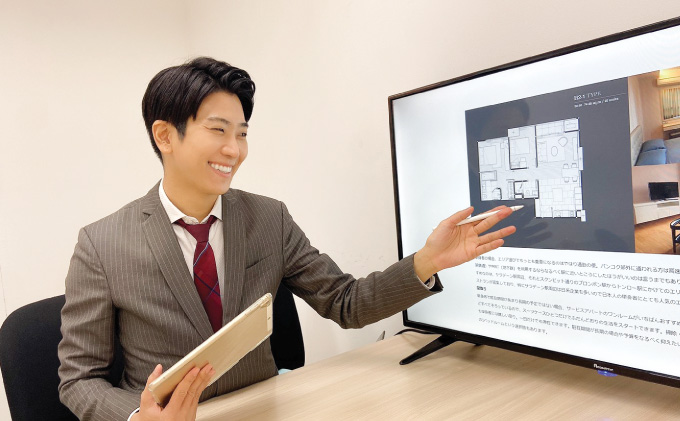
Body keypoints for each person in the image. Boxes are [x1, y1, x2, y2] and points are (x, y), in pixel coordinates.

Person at [57, 57, 516, 421]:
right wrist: (138, 417)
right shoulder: (101, 244)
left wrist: (425, 262)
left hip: (264, 408)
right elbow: (79, 380)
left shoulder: (268, 218)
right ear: (165, 136)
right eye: (217, 130)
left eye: (242, 134)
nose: (234, 150)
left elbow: (346, 303)